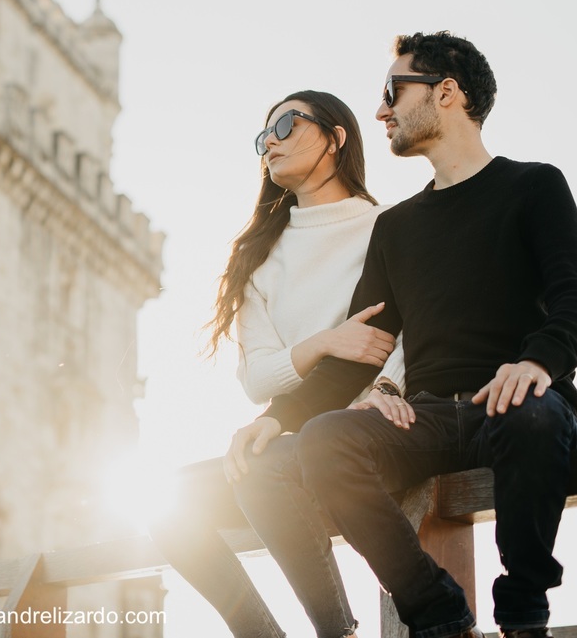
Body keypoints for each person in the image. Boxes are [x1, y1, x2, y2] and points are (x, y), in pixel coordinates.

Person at [226, 32, 577, 638]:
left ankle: (524, 615)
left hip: (519, 409)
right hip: (426, 420)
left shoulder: (535, 186)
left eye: (394, 91)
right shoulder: (396, 227)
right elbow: (361, 354)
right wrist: (280, 416)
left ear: (447, 92)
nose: (381, 111)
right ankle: (440, 616)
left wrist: (536, 364)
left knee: (532, 414)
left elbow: (574, 297)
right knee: (324, 439)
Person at [150, 90, 408, 638]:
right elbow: (257, 378)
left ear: (336, 138)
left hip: (373, 433)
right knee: (169, 505)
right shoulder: (259, 258)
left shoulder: (392, 226)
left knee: (267, 469)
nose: (271, 142)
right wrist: (326, 341)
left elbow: (410, 337)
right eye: (263, 135)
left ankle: (335, 633)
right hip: (289, 441)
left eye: (287, 125)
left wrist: (387, 389)